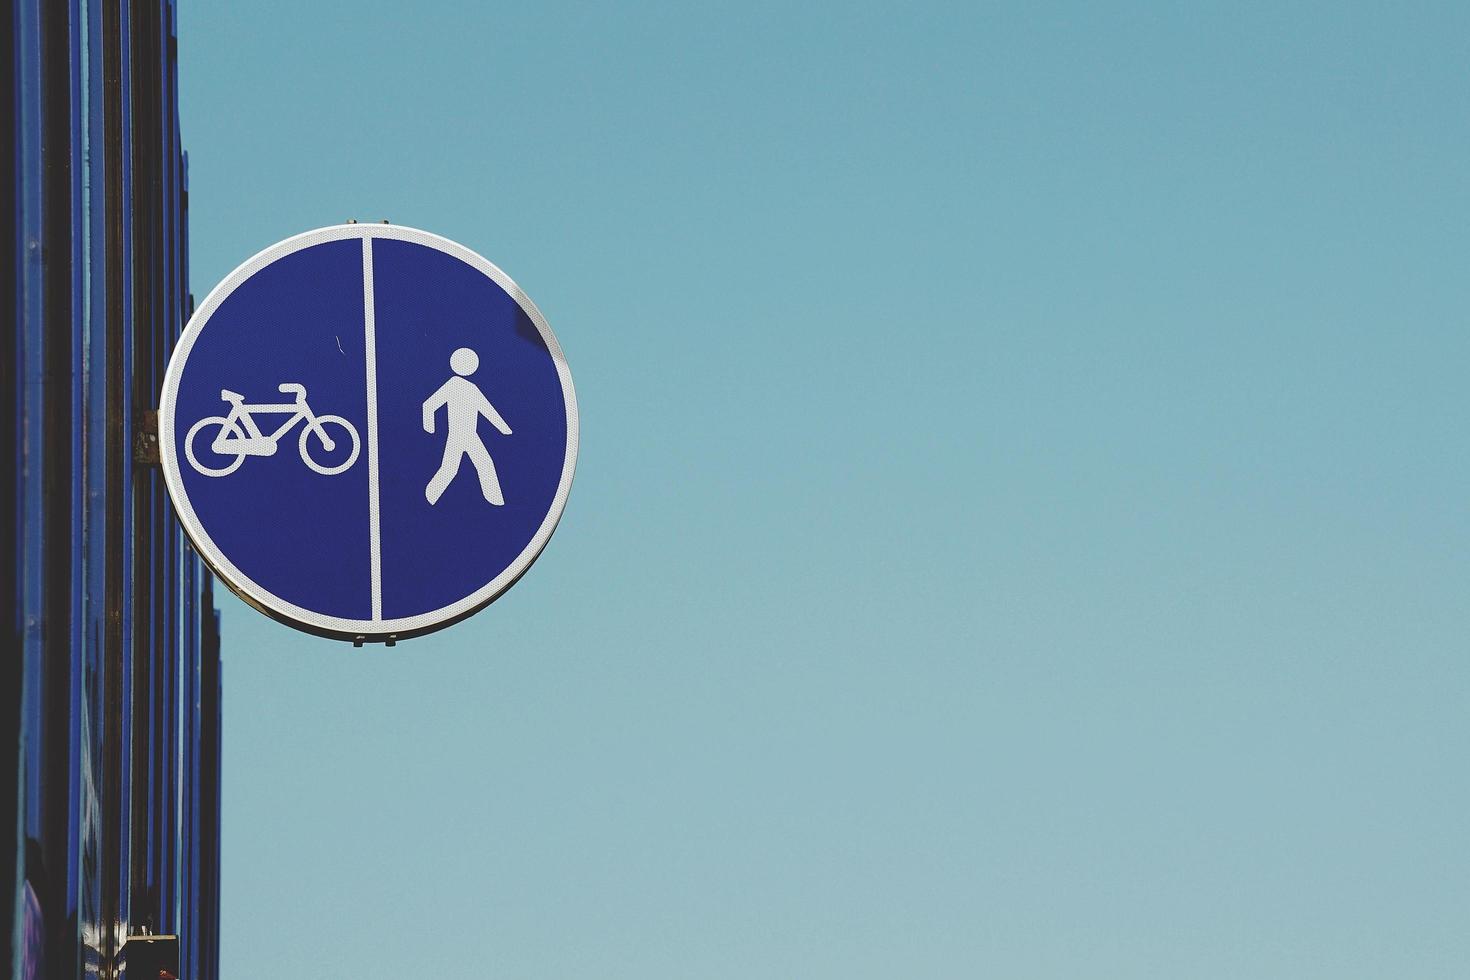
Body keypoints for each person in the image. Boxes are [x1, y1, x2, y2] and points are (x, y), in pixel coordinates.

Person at [422, 347, 512, 505]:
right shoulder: (453, 385)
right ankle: (429, 496)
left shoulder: (472, 388)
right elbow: (429, 405)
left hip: (471, 436)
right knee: (450, 469)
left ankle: (496, 502)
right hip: (457, 436)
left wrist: (504, 429)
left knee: (484, 463)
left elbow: (487, 410)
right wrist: (430, 427)